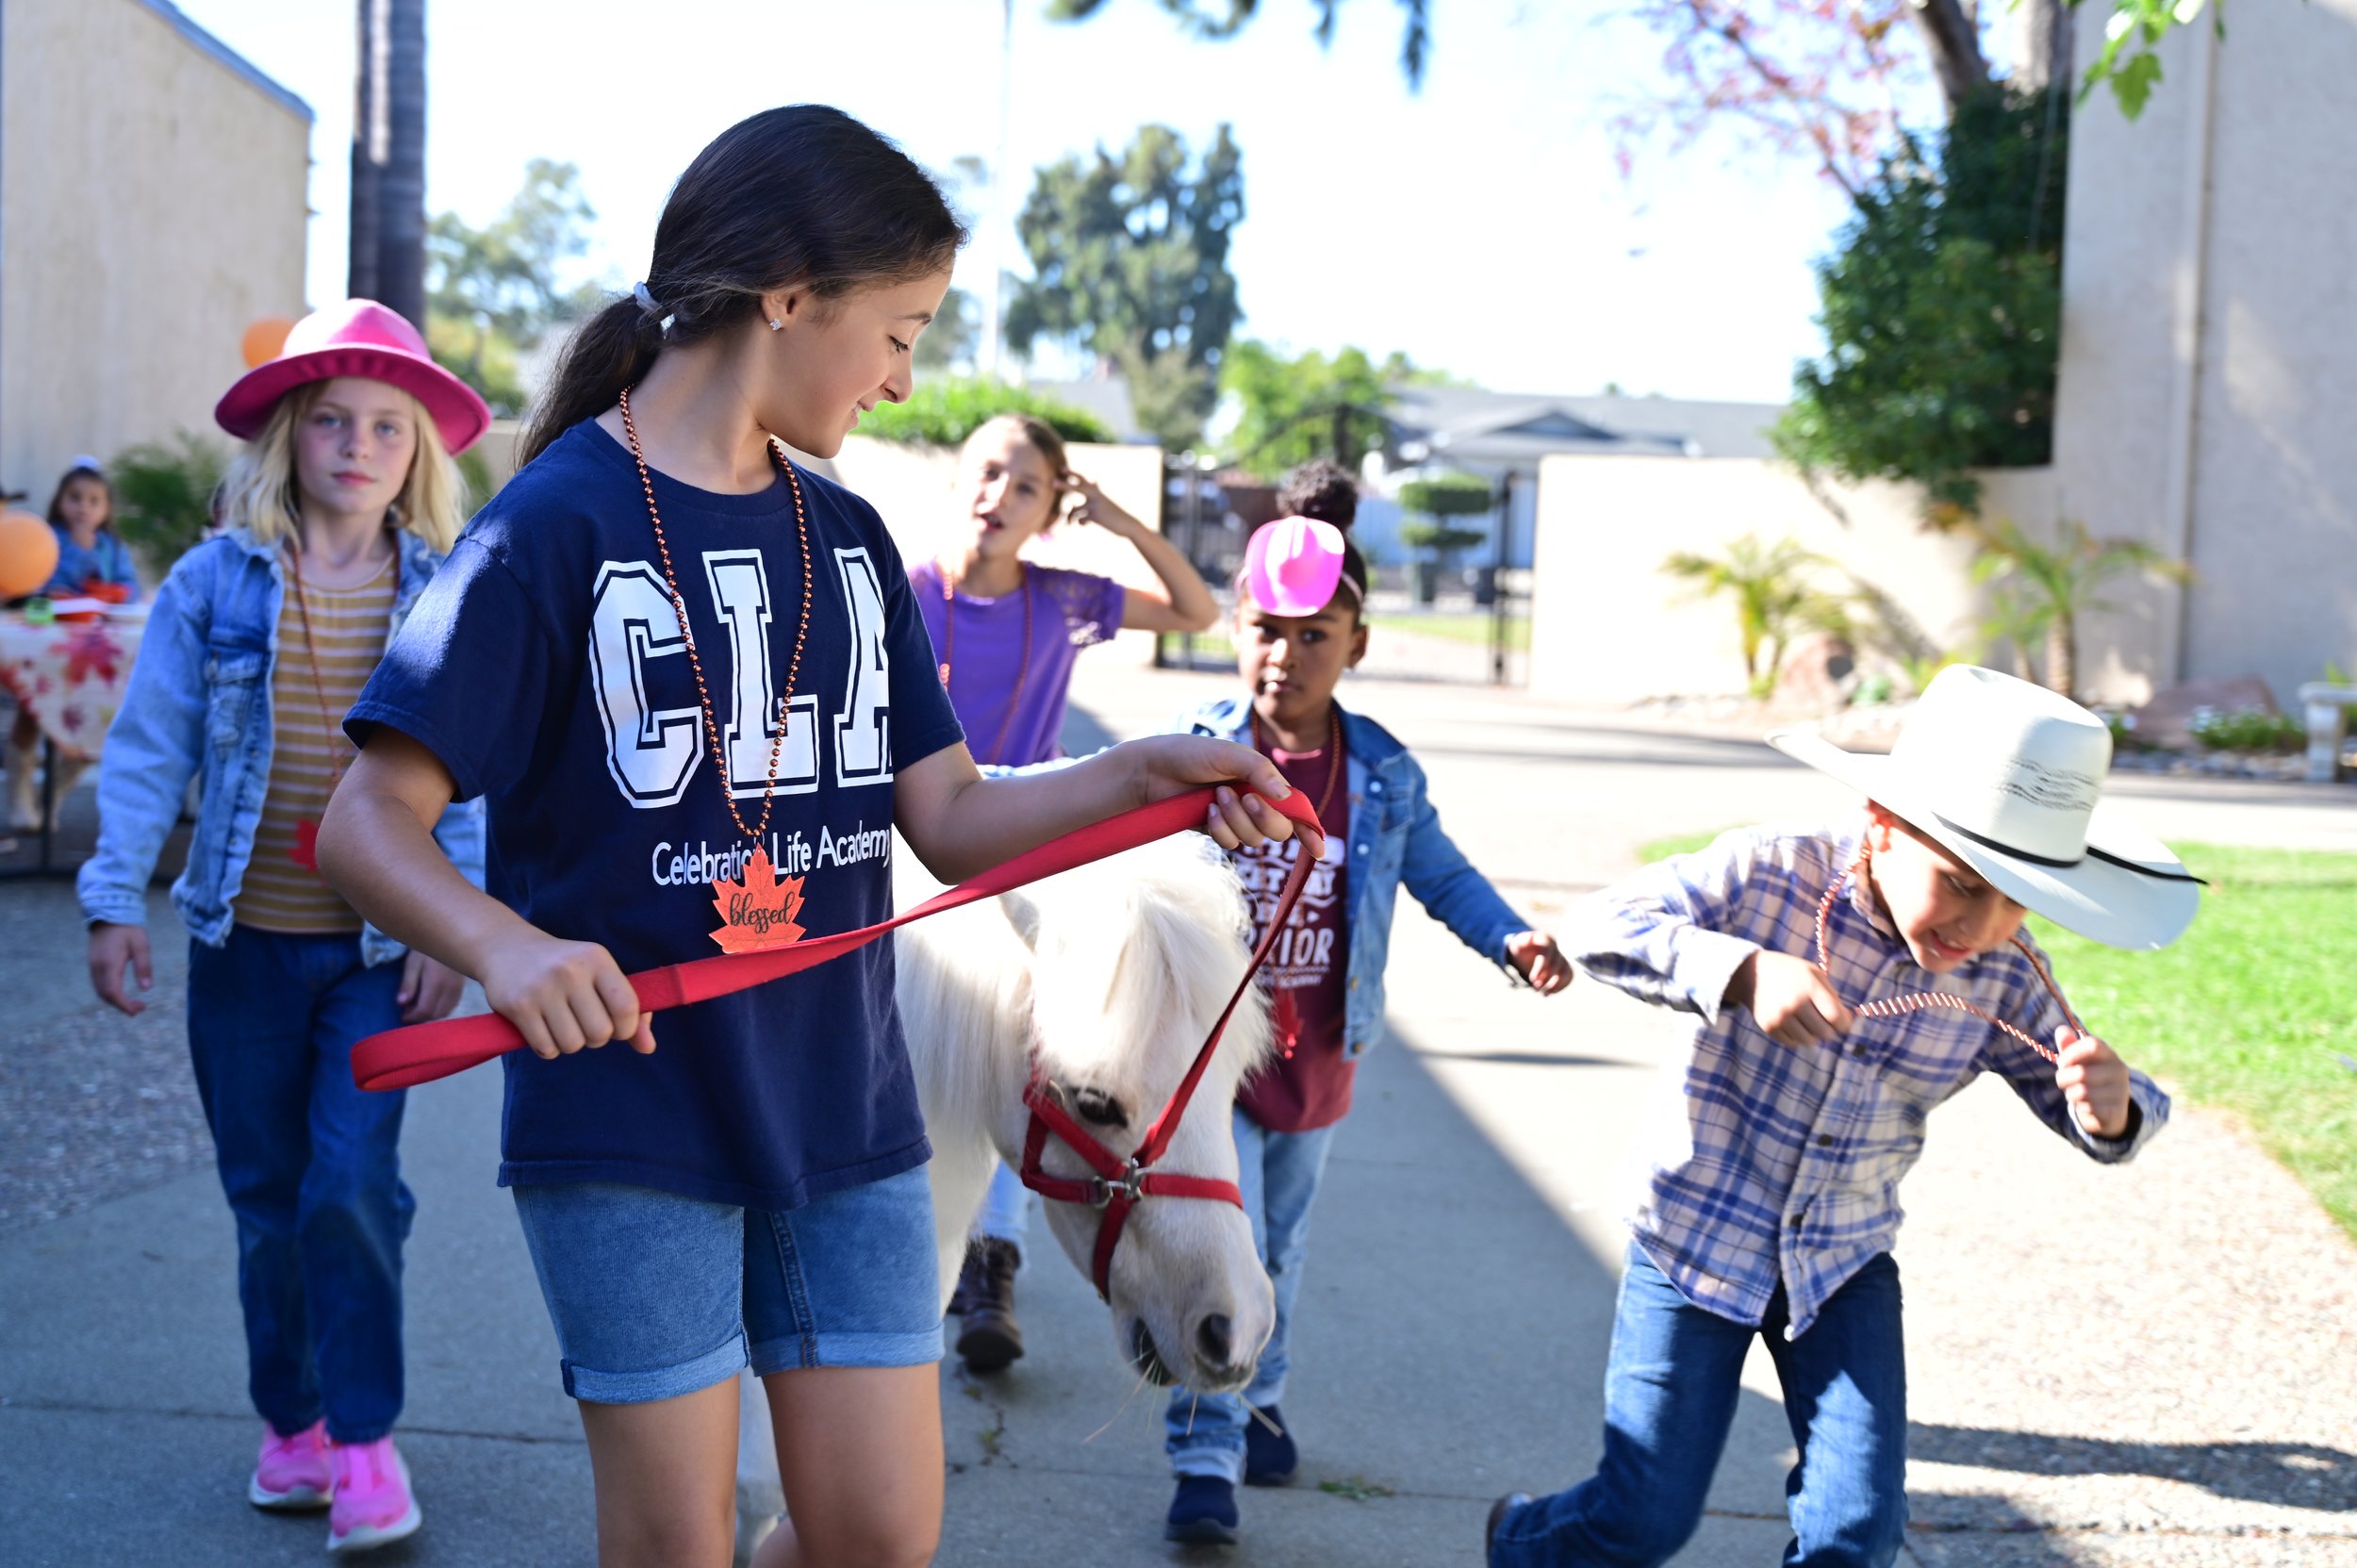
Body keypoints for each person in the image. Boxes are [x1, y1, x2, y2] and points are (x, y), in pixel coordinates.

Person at [310, 105, 1318, 1568]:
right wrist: (505, 945)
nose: (907, 377)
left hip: (849, 1115)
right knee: (676, 1545)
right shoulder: (548, 531)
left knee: (877, 1533)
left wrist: (1139, 771)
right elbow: (363, 825)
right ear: (790, 296)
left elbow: (955, 821)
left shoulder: (844, 537)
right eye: (899, 329)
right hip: (628, 1125)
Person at [1485, 664, 2203, 1568]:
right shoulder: (1772, 871)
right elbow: (1602, 925)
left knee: (1856, 1532)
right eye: (1961, 882)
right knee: (1646, 1517)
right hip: (1692, 1240)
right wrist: (1744, 970)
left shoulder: (2005, 972)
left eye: (2016, 898)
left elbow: (2096, 1096)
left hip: (1841, 1263)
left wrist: (2110, 1107)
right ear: (1883, 826)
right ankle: (1523, 1541)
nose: (1981, 925)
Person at [78, 298, 490, 1554]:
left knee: (351, 1181)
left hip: (377, 956)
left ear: (419, 450)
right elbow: (150, 747)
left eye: (384, 425)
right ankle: (293, 1420)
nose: (357, 446)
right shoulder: (215, 583)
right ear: (287, 439)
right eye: (331, 422)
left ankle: (364, 1438)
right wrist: (110, 895)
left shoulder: (449, 594)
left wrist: (452, 924)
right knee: (269, 1198)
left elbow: (470, 773)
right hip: (241, 950)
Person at [1160, 462, 1574, 1545]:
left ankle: (1255, 1392)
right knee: (1221, 1247)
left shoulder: (1379, 773)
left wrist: (1509, 938)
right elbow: (1095, 817)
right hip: (1210, 1061)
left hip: (1316, 1059)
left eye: (1311, 636)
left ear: (1355, 646)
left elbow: (1441, 876)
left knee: (1280, 1251)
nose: (1280, 656)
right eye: (1262, 629)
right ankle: (1203, 1453)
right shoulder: (1192, 755)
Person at [915, 410, 1220, 1374]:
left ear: (1050, 511)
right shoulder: (898, 592)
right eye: (986, 470)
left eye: (1027, 486)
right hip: (912, 847)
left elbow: (1194, 611)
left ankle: (991, 1259)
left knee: (1031, 1063)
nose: (998, 495)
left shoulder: (1063, 598)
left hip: (1026, 857)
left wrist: (1125, 523)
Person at [5, 459, 143, 829]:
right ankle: (19, 796)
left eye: (93, 500)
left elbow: (131, 589)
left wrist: (115, 593)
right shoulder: (46, 540)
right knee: (31, 711)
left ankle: (53, 796)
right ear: (59, 502)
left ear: (106, 509)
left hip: (93, 657)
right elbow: (28, 589)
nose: (83, 506)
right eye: (74, 497)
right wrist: (48, 596)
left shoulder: (112, 549)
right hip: (47, 649)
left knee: (95, 720)